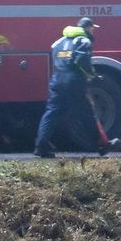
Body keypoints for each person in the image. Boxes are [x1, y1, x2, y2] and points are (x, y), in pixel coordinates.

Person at [34, 16, 107, 157]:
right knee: (86, 112)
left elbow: (54, 57)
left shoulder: (59, 42)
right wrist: (93, 76)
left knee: (51, 112)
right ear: (87, 28)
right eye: (92, 29)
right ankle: (100, 145)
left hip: (57, 78)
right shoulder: (83, 40)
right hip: (73, 79)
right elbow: (82, 61)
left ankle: (40, 147)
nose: (93, 32)